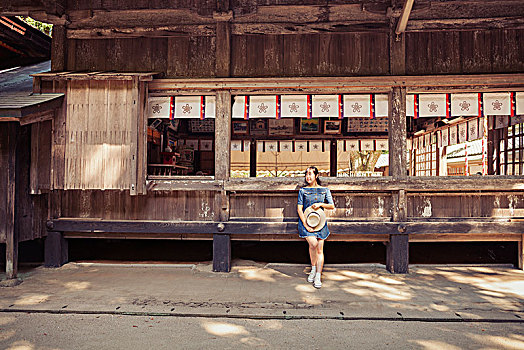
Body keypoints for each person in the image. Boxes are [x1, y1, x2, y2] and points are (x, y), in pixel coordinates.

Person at [297, 166, 335, 288]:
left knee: (319, 249)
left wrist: (320, 204)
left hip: (319, 222)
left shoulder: (325, 190)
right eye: (306, 174)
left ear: (316, 176)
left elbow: (331, 206)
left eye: (310, 174)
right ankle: (313, 269)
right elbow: (299, 209)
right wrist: (305, 224)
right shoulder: (303, 191)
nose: (308, 177)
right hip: (306, 222)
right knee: (313, 243)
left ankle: (318, 275)